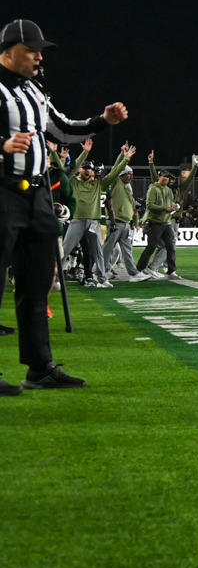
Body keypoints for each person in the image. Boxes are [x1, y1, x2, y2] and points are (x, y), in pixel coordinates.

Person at [0, 19, 128, 393]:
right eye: (31, 50)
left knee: (37, 282)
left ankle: (39, 367)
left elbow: (64, 129)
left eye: (41, 50)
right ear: (7, 52)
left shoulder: (34, 91)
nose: (39, 56)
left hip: (38, 194)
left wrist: (102, 121)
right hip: (2, 191)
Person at [63, 139, 132, 287]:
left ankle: (102, 278)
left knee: (98, 252)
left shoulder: (99, 184)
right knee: (65, 249)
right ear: (80, 170)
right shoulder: (73, 182)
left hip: (93, 222)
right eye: (84, 168)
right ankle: (54, 277)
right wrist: (85, 153)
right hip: (77, 221)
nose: (87, 170)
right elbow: (69, 171)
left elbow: (114, 173)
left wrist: (124, 158)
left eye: (90, 168)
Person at [103, 148, 142, 280]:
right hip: (116, 220)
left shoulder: (128, 186)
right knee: (108, 248)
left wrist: (135, 220)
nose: (130, 176)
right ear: (121, 174)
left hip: (126, 222)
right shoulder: (116, 181)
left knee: (127, 250)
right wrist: (122, 156)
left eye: (131, 174)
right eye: (127, 174)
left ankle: (133, 273)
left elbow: (132, 204)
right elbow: (115, 169)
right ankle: (103, 271)